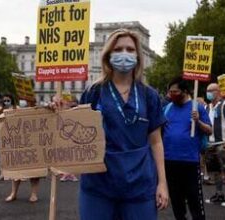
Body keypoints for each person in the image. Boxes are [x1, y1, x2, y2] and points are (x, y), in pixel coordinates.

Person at [77, 29, 168, 219]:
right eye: (118, 49)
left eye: (129, 49)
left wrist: (162, 183)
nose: (124, 54)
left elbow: (156, 142)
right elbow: (76, 131)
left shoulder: (149, 95)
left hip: (140, 185)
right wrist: (57, 112)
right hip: (98, 185)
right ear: (108, 55)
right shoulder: (94, 92)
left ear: (138, 56)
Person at [163, 77, 212, 220]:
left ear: (184, 91)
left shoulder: (197, 108)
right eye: (170, 92)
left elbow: (209, 130)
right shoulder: (167, 108)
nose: (172, 94)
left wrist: (198, 122)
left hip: (189, 160)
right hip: (169, 160)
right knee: (176, 199)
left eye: (175, 91)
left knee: (194, 198)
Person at [204, 83, 225, 208]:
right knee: (215, 171)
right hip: (210, 143)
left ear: (218, 91)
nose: (208, 93)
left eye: (210, 90)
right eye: (207, 90)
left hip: (222, 143)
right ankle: (219, 194)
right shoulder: (207, 107)